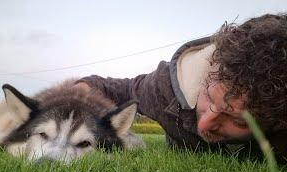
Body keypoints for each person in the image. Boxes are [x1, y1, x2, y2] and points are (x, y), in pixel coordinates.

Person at [75, 14, 287, 163]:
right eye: (209, 97)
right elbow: (117, 88)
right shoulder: (164, 87)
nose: (204, 125)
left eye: (238, 121)